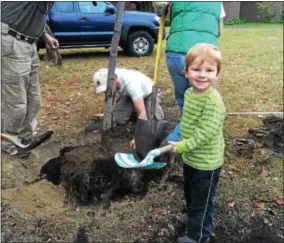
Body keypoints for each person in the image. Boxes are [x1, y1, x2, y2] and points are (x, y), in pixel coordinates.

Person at [168, 43, 226, 243]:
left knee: (203, 201)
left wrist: (181, 146)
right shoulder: (189, 94)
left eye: (209, 70)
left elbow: (205, 133)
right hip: (192, 158)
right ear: (186, 72)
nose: (202, 75)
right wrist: (179, 141)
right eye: (196, 69)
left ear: (217, 74)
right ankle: (193, 218)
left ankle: (198, 235)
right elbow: (188, 123)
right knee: (190, 193)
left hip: (207, 163)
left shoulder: (213, 102)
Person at [153, 2, 226, 142]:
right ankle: (173, 142)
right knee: (204, 101)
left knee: (183, 100)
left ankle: (184, 132)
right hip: (206, 54)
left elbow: (162, 12)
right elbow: (219, 31)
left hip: (176, 52)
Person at [1, 2, 59, 158]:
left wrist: (45, 35)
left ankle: (28, 136)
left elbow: (37, 15)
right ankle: (9, 143)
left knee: (34, 98)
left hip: (30, 44)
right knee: (16, 102)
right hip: (11, 41)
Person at [93, 68, 165, 148]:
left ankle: (142, 108)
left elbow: (142, 113)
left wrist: (139, 137)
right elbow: (113, 100)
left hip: (148, 94)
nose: (105, 92)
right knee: (117, 119)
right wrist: (106, 115)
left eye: (106, 89)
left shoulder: (131, 83)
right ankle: (135, 109)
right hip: (128, 96)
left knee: (153, 122)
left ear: (115, 80)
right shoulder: (109, 75)